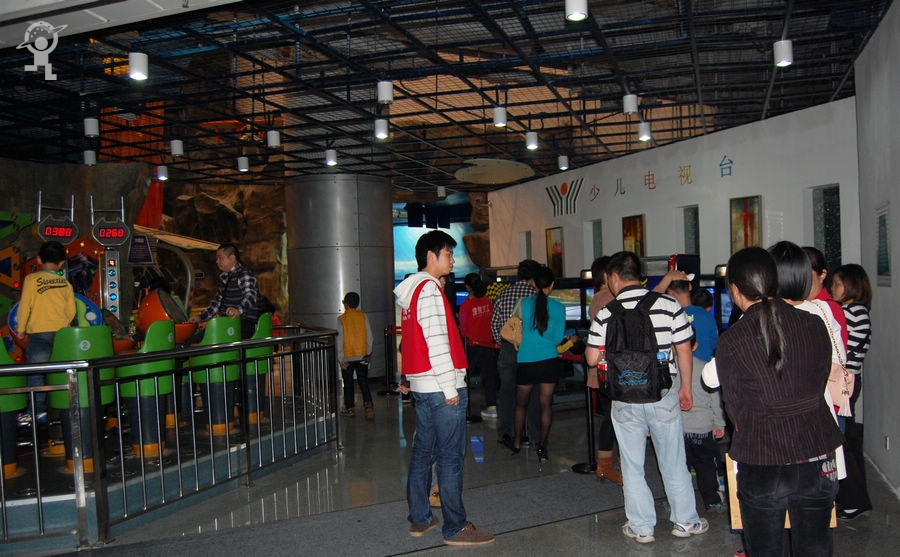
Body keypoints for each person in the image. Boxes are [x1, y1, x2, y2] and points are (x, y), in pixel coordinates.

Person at [716, 247, 844, 557]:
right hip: (816, 454)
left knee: (764, 550)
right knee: (816, 548)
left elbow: (735, 410)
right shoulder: (813, 324)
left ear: (735, 289)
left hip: (762, 460)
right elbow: (819, 381)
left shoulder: (732, 340)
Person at [584, 251, 707, 544]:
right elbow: (684, 348)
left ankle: (641, 527)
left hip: (624, 396)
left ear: (614, 277)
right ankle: (685, 522)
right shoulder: (668, 304)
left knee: (632, 464)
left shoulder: (607, 312)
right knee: (673, 459)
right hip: (663, 392)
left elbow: (591, 359)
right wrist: (686, 388)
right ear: (638, 275)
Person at [394, 230, 494, 546]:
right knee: (451, 458)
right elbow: (437, 342)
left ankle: (420, 517)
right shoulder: (429, 290)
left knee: (423, 452)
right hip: (441, 387)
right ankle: (455, 527)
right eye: (448, 254)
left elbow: (409, 342)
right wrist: (451, 388)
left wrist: (407, 379)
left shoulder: (411, 292)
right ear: (431, 256)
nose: (452, 260)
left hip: (424, 386)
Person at [510, 265, 568, 462]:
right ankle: (542, 446)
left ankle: (517, 442)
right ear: (552, 285)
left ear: (533, 283)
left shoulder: (523, 304)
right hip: (549, 360)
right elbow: (558, 338)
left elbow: (515, 327)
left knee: (520, 404)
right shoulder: (559, 308)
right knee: (546, 405)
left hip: (526, 359)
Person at [15, 240, 76, 425]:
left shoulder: (31, 280)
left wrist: (21, 329)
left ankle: (37, 412)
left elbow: (25, 306)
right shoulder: (65, 284)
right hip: (62, 335)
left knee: (36, 373)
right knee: (64, 374)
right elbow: (71, 311)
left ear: (39, 259)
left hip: (39, 334)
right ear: (61, 263)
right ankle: (70, 410)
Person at [831, 263, 874, 520]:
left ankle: (853, 499)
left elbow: (841, 349)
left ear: (851, 286)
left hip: (843, 383)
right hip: (849, 381)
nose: (833, 288)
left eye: (838, 284)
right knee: (846, 439)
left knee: (843, 442)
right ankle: (853, 498)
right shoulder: (857, 311)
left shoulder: (852, 312)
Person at [490, 259, 542, 453]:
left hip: (508, 350)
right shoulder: (536, 297)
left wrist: (504, 342)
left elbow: (495, 325)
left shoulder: (503, 294)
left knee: (507, 393)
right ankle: (533, 436)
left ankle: (506, 434)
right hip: (531, 351)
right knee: (533, 394)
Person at [681, 328, 727, 511]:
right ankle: (712, 499)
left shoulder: (670, 369)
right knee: (707, 465)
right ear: (695, 346)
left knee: (679, 468)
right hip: (703, 428)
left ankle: (681, 504)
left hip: (678, 430)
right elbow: (716, 399)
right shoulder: (705, 367)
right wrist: (719, 423)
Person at [188, 243, 259, 340]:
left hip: (242, 324)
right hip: (227, 323)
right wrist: (200, 317)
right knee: (194, 340)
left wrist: (238, 310)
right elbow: (217, 303)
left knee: (198, 341)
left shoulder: (243, 275)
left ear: (232, 258)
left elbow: (251, 296)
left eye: (220, 258)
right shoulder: (225, 278)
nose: (217, 261)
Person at [458, 273, 499, 420]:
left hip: (472, 345)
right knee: (489, 377)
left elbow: (463, 329)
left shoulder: (465, 306)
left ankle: (463, 408)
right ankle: (492, 408)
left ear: (468, 287)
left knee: (464, 377)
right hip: (488, 344)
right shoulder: (488, 301)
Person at [336, 291, 374, 420]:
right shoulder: (363, 316)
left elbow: (340, 340)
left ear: (345, 304)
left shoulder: (341, 319)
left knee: (348, 383)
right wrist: (368, 352)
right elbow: (369, 336)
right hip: (362, 354)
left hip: (347, 356)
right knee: (363, 381)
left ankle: (350, 408)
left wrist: (340, 359)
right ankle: (368, 406)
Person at [803, 246, 849, 348]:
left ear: (822, 274)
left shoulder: (830, 308)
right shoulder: (800, 303)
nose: (802, 278)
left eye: (807, 273)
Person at [666, 280, 718, 363]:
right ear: (690, 286)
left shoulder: (669, 317)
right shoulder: (707, 316)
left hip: (679, 367)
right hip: (704, 367)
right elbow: (714, 345)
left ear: (670, 293)